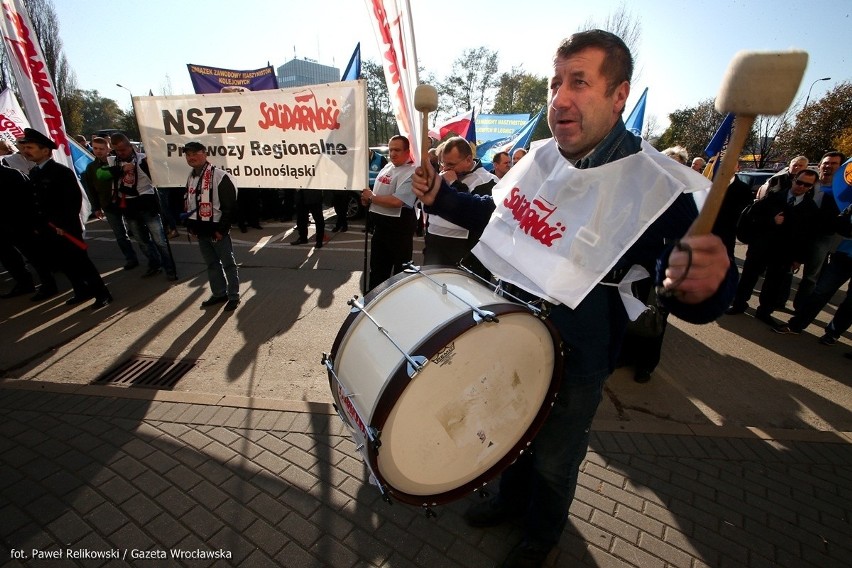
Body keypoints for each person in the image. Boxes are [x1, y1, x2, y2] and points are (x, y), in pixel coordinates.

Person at [411, 30, 735, 567]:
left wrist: (707, 288)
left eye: (578, 82)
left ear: (618, 95)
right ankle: (511, 504)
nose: (558, 98)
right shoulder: (540, 158)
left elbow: (690, 290)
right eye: (555, 81)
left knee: (555, 459)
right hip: (509, 332)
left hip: (578, 358)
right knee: (511, 432)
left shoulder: (661, 188)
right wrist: (442, 196)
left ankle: (542, 535)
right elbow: (500, 221)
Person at [17, 128, 112, 309]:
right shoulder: (35, 173)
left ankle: (102, 294)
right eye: (25, 147)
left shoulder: (61, 172)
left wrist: (63, 225)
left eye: (30, 147)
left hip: (65, 228)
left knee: (81, 262)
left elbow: (72, 202)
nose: (26, 151)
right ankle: (81, 290)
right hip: (48, 229)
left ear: (45, 150)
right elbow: (36, 202)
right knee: (64, 263)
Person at [726, 168, 820, 324]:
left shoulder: (810, 209)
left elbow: (808, 237)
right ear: (793, 180)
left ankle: (764, 311)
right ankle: (739, 304)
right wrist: (771, 221)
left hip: (784, 253)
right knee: (748, 277)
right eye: (799, 182)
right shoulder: (774, 197)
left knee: (774, 283)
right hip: (761, 247)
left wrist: (799, 258)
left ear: (811, 187)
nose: (801, 187)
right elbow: (751, 216)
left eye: (807, 185)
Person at [423, 136, 497, 278]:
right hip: (434, 251)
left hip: (464, 258)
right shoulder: (441, 175)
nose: (445, 169)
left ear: (468, 160)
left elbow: (474, 214)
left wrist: (454, 184)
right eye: (442, 164)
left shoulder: (488, 181)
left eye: (451, 165)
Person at [110, 132, 178, 281]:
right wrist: (122, 170)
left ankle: (170, 268)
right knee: (141, 240)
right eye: (117, 150)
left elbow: (159, 176)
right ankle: (154, 264)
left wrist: (149, 163)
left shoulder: (142, 159)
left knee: (159, 239)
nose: (121, 153)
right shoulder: (113, 162)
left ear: (130, 146)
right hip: (128, 204)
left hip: (146, 202)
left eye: (123, 150)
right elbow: (105, 176)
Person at [182, 142, 241, 311]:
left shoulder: (220, 176)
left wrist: (222, 230)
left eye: (195, 153)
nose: (191, 157)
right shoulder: (191, 176)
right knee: (212, 264)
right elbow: (190, 202)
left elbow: (230, 207)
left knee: (228, 264)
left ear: (205, 154)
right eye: (188, 155)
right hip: (200, 228)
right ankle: (219, 293)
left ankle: (233, 296)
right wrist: (191, 226)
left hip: (216, 228)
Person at [359, 135, 416, 292]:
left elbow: (397, 201)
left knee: (400, 274)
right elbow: (377, 193)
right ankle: (373, 301)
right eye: (390, 149)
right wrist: (368, 199)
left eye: (397, 150)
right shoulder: (388, 166)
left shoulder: (412, 171)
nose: (392, 153)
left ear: (407, 151)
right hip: (380, 228)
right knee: (377, 270)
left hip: (399, 229)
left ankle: (397, 307)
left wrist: (372, 197)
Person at [793, 151, 845, 311]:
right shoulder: (808, 181)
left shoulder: (842, 190)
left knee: (811, 276)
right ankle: (777, 301)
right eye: (826, 163)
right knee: (788, 268)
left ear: (840, 167)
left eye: (834, 164)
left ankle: (799, 307)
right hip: (797, 232)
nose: (829, 166)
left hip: (822, 236)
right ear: (820, 165)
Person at [83, 136, 139, 270]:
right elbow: (91, 189)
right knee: (120, 234)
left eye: (101, 148)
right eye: (95, 148)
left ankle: (152, 259)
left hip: (126, 200)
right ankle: (130, 258)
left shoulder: (117, 161)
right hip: (108, 204)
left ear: (108, 148)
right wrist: (96, 207)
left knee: (138, 231)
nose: (98, 151)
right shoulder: (91, 168)